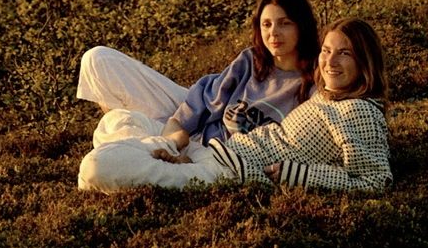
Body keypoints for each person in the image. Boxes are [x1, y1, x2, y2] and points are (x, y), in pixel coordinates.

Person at [78, 18, 391, 194]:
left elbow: (375, 180)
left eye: (345, 53)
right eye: (326, 51)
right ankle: (154, 153)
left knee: (97, 167)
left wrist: (297, 174)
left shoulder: (358, 112)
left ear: (365, 62)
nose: (330, 62)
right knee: (117, 120)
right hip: (217, 152)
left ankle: (137, 159)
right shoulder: (328, 99)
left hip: (229, 172)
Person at [75, 0, 321, 188]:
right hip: (195, 133)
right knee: (99, 61)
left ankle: (135, 155)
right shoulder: (250, 60)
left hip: (220, 161)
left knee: (111, 140)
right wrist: (171, 141)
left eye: (284, 23)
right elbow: (203, 103)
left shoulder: (314, 85)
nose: (274, 33)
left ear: (302, 26)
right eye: (266, 24)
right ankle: (147, 155)